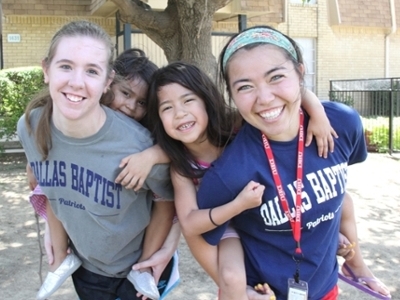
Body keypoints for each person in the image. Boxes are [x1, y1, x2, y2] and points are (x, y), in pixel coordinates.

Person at [196, 25, 392, 300]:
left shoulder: (342, 124)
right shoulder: (228, 174)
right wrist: (237, 288)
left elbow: (337, 196)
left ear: (300, 72)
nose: (264, 98)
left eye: (276, 77)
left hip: (326, 289)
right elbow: (201, 232)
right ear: (231, 95)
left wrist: (357, 263)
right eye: (245, 87)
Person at [145, 61, 342, 300]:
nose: (180, 113)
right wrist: (238, 205)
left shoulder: (234, 124)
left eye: (188, 100)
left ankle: (356, 264)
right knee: (232, 279)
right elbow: (189, 223)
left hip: (268, 211)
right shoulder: (182, 167)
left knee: (344, 201)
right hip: (228, 223)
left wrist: (318, 114)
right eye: (167, 108)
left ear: (207, 100)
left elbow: (295, 93)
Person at [17, 20, 175, 300]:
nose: (76, 82)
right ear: (46, 70)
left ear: (106, 81)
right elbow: (53, 188)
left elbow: (169, 198)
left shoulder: (139, 142)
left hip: (133, 270)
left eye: (91, 70)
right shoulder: (30, 126)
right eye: (65, 66)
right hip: (85, 268)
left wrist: (147, 267)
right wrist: (57, 243)